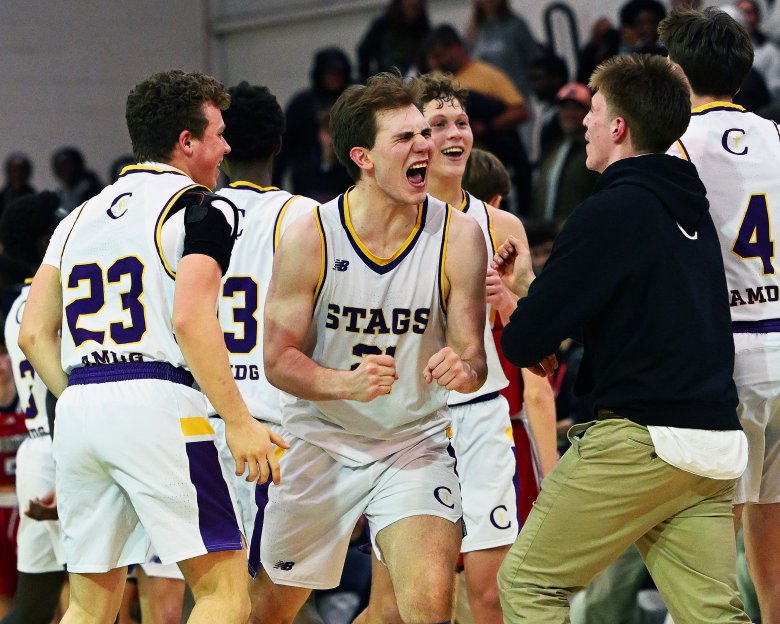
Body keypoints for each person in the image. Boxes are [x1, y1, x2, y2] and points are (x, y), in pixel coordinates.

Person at [18, 69, 285, 624]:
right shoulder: (203, 208)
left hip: (80, 408)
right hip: (159, 402)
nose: (227, 148)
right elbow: (191, 317)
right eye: (218, 134)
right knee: (224, 594)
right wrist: (239, 421)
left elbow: (33, 334)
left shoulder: (77, 217)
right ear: (186, 142)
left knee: (89, 604)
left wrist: (83, 400)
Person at [494, 53, 751, 623]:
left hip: (642, 440)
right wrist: (531, 307)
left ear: (617, 127)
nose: (584, 122)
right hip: (713, 444)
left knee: (529, 583)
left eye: (593, 110)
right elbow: (623, 313)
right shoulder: (694, 209)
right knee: (714, 615)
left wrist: (521, 306)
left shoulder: (609, 210)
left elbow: (525, 341)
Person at [252, 71, 489, 624]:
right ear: (363, 157)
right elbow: (278, 360)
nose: (425, 145)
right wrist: (346, 383)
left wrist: (463, 368)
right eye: (405, 138)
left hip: (413, 442)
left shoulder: (460, 236)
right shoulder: (311, 235)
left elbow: (474, 358)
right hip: (321, 439)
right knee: (268, 613)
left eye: (424, 133)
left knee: (428, 606)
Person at [660, 8, 780, 621]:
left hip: (724, 359)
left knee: (710, 548)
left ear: (677, 73)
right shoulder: (777, 135)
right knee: (774, 553)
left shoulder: (675, 148)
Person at [211, 80, 318, 582]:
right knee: (275, 597)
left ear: (222, 146)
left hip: (203, 426)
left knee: (216, 594)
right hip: (275, 430)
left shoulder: (191, 215)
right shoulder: (307, 217)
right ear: (280, 143)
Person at [1, 192, 66, 624]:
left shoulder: (17, 307)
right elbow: (59, 389)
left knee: (34, 605)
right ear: (46, 240)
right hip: (61, 448)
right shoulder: (54, 303)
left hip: (34, 452)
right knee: (96, 599)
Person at [423, 24, 532, 214]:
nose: (436, 61)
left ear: (456, 47)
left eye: (440, 54)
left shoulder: (487, 74)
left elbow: (521, 111)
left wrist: (487, 128)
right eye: (432, 57)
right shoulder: (435, 80)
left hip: (494, 159)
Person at [273, 47, 353, 193]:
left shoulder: (353, 102)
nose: (334, 78)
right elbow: (284, 147)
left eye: (338, 73)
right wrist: (274, 186)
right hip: (308, 181)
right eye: (330, 73)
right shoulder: (302, 104)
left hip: (346, 179)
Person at [532, 82, 600, 223]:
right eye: (564, 108)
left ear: (589, 112)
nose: (569, 114)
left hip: (578, 230)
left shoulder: (596, 151)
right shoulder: (554, 148)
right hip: (545, 231)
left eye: (576, 108)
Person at [465, 0, 542, 99]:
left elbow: (534, 60)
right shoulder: (474, 30)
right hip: (486, 98)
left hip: (515, 97)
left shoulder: (515, 26)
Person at [357, 0, 431, 81]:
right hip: (386, 80)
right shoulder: (383, 24)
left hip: (413, 80)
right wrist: (366, 80)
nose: (414, 2)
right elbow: (364, 50)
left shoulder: (423, 27)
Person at [50, 147, 103, 213]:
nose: (63, 171)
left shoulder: (96, 192)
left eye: (66, 166)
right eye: (59, 167)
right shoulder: (59, 195)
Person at [0, 153, 35, 218]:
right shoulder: (2, 198)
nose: (18, 174)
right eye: (14, 171)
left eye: (22, 170)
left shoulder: (35, 199)